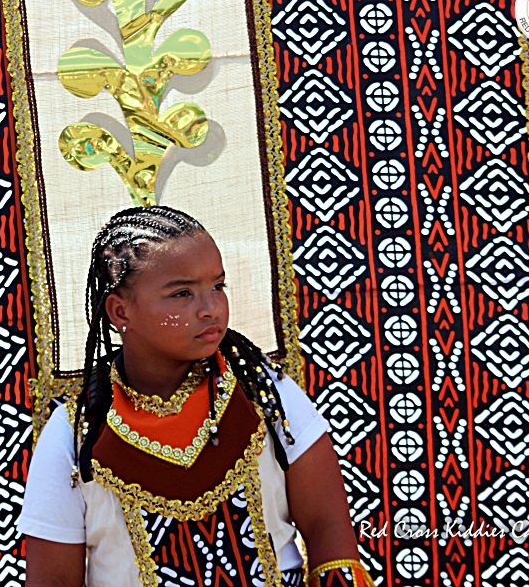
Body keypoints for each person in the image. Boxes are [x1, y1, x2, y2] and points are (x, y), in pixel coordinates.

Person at [19, 206, 374, 587]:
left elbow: (328, 528)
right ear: (120, 311)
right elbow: (53, 579)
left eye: (218, 287)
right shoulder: (75, 435)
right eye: (183, 293)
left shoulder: (267, 393)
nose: (211, 309)